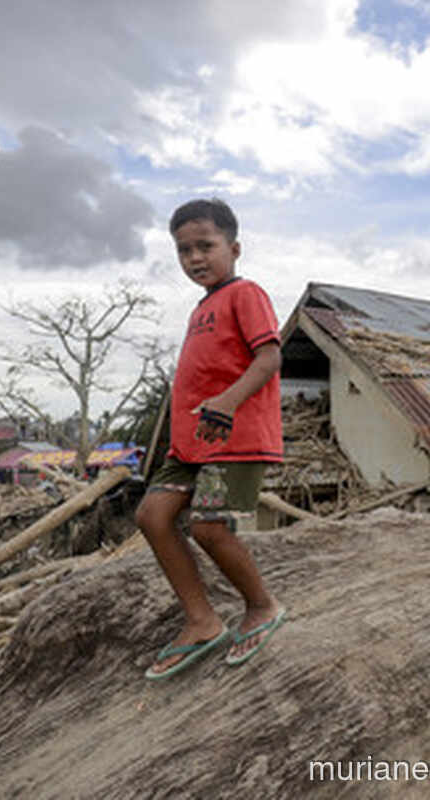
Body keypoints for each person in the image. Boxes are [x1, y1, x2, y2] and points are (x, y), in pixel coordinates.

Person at [135, 198, 286, 680]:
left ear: (234, 247)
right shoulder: (201, 309)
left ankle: (261, 606)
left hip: (235, 436)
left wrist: (227, 401)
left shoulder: (247, 294)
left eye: (206, 246)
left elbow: (268, 359)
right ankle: (201, 620)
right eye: (184, 251)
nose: (195, 258)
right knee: (152, 515)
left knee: (209, 528)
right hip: (192, 443)